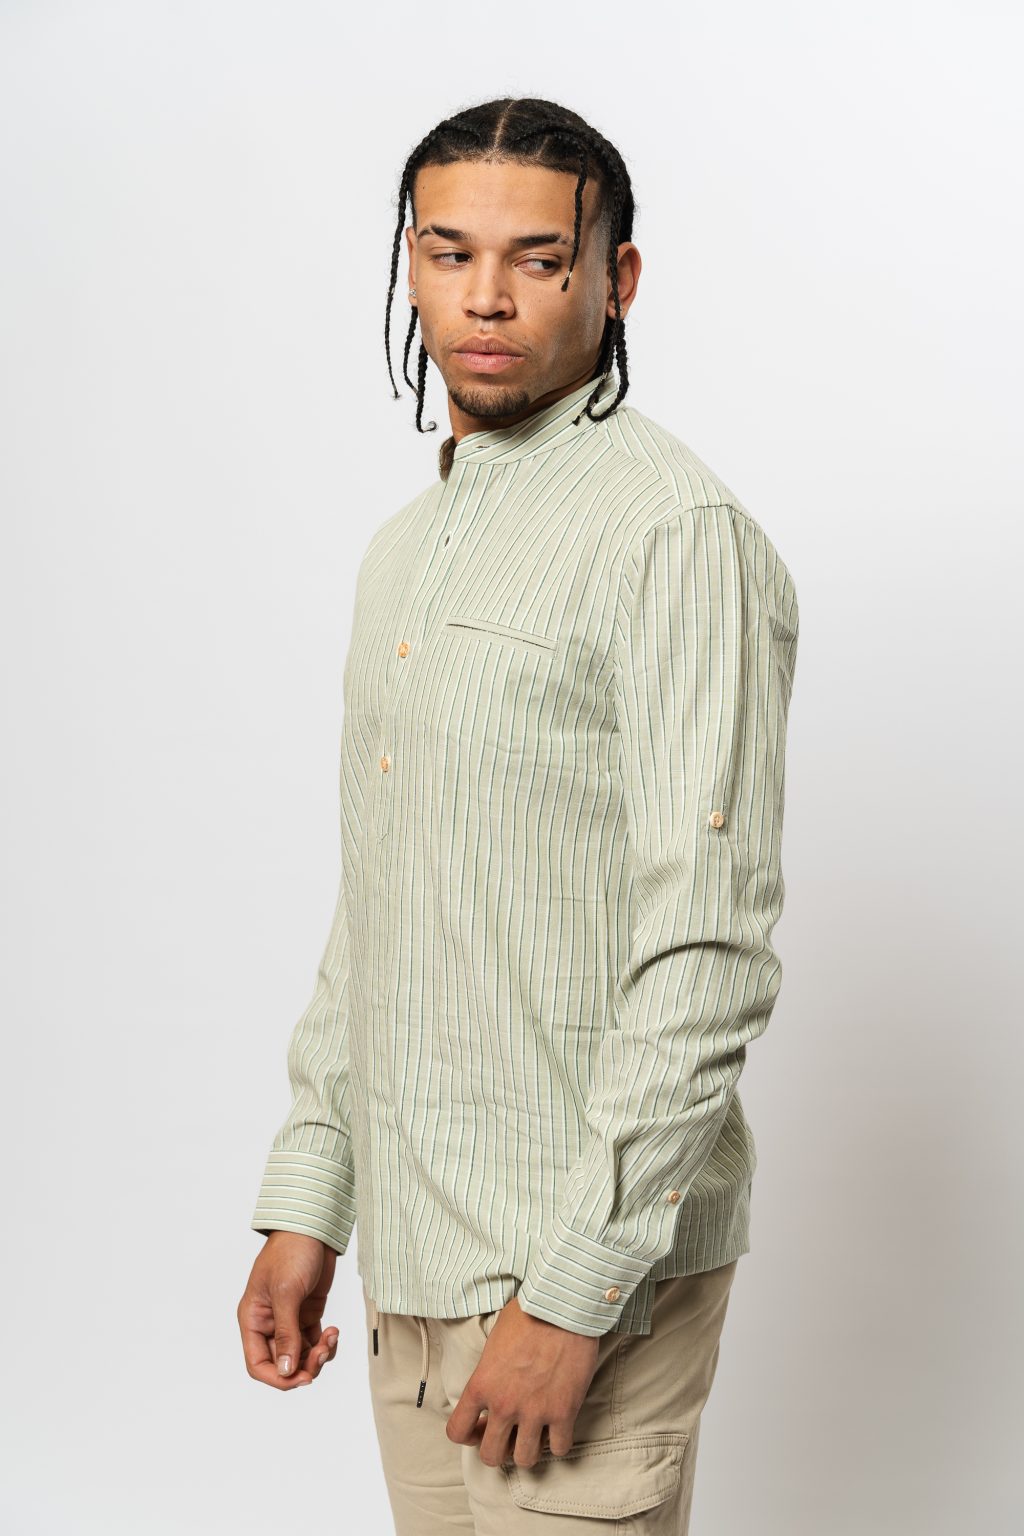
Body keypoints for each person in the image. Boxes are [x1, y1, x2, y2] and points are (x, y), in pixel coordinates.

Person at [237, 96, 800, 1534]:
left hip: (585, 1278)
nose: (486, 297)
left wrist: (572, 1293)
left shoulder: (674, 536)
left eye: (538, 259)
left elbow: (709, 951)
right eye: (450, 252)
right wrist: (313, 1193)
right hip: (413, 1260)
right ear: (411, 266)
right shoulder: (404, 553)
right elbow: (383, 902)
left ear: (615, 280)